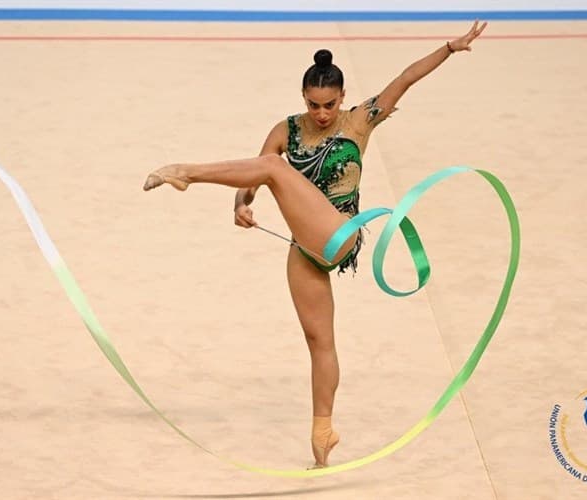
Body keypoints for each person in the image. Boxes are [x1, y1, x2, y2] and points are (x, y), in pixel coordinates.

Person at [143, 20, 488, 468]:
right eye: (313, 104)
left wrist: (449, 47)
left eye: (329, 104)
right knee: (318, 340)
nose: (322, 113)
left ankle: (185, 172)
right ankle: (322, 437)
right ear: (303, 98)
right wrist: (240, 205)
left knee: (274, 168)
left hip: (339, 234)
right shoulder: (286, 129)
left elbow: (405, 78)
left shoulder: (360, 120)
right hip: (305, 247)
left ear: (342, 98)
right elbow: (252, 176)